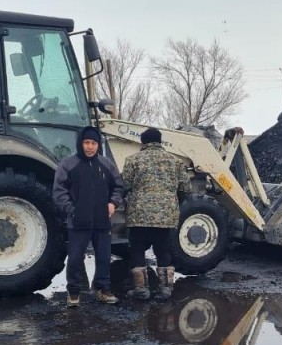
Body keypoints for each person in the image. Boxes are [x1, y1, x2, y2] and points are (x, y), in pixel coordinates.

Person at [53, 126, 125, 307]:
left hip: (102, 221)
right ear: (80, 143)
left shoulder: (106, 164)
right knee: (76, 258)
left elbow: (118, 186)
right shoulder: (68, 164)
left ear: (98, 145)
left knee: (103, 257)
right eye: (86, 142)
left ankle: (103, 289)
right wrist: (72, 210)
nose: (90, 147)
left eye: (93, 143)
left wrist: (113, 203)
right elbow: (58, 191)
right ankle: (74, 292)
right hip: (78, 222)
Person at [121, 127, 192, 301]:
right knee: (163, 251)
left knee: (137, 250)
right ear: (160, 141)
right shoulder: (175, 162)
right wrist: (172, 203)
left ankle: (141, 290)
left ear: (143, 142)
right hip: (166, 217)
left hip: (139, 216)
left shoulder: (133, 160)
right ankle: (165, 290)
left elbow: (124, 185)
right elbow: (186, 189)